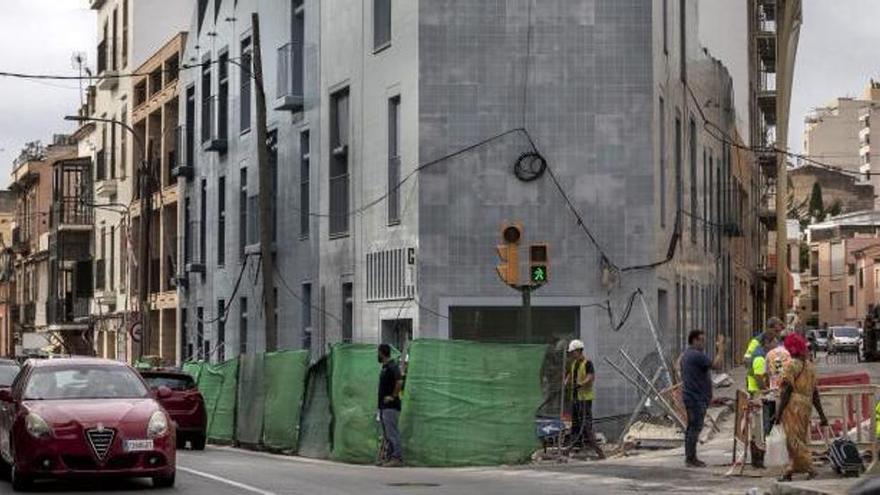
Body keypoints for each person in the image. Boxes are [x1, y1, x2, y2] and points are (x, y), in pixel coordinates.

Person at [774, 333, 828, 482]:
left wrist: (778, 413)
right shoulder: (810, 366)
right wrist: (822, 415)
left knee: (793, 440)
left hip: (793, 406)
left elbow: (786, 391)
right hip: (806, 405)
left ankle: (810, 468)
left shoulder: (791, 365)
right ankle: (790, 470)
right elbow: (815, 393)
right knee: (799, 438)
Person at [680, 330, 725, 468]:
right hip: (696, 398)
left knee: (691, 427)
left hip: (692, 396)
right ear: (694, 340)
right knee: (695, 427)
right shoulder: (696, 355)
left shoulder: (686, 354)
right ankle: (691, 458)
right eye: (701, 340)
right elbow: (717, 366)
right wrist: (721, 349)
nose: (703, 343)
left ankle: (690, 456)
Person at [564, 339, 605, 459]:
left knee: (586, 425)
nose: (572, 354)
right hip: (575, 399)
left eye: (573, 352)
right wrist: (566, 382)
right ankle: (573, 448)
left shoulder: (587, 363)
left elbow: (590, 377)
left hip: (584, 399)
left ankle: (598, 451)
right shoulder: (574, 364)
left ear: (578, 350)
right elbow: (569, 375)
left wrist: (581, 384)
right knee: (575, 425)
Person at [747, 333, 776, 468]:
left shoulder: (761, 355)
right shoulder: (759, 357)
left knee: (758, 428)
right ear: (767, 343)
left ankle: (758, 458)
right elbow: (759, 378)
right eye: (773, 343)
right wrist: (766, 390)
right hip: (758, 395)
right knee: (760, 428)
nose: (775, 346)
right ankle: (759, 459)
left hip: (756, 393)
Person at [377, 343, 403, 467]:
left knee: (392, 433)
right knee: (387, 433)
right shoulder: (385, 367)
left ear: (382, 353)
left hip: (391, 407)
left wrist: (392, 396)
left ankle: (397, 458)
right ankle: (389, 457)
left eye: (378, 352)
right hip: (383, 407)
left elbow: (399, 382)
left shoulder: (392, 366)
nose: (377, 355)